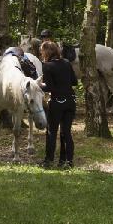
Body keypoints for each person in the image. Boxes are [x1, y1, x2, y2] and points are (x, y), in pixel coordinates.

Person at [40, 40, 77, 169]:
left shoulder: (47, 66)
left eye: (42, 52)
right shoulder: (67, 63)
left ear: (46, 52)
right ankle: (67, 161)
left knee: (51, 132)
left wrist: (39, 85)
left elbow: (49, 87)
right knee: (66, 133)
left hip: (56, 103)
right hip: (70, 102)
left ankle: (48, 160)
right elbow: (74, 82)